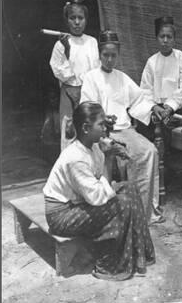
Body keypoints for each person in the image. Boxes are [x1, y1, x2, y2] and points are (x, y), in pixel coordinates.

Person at [44, 101, 155, 280]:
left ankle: (138, 255)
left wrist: (112, 153)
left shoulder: (93, 147)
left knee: (130, 188)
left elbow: (101, 183)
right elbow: (97, 197)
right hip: (61, 215)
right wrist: (109, 158)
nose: (105, 129)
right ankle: (111, 265)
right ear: (87, 128)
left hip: (79, 203)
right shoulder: (75, 158)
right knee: (123, 202)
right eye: (101, 124)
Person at [80, 30, 164, 224]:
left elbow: (139, 99)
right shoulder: (91, 78)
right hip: (101, 132)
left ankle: (144, 211)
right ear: (99, 55)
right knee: (115, 153)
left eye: (113, 55)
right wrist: (101, 119)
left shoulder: (122, 77)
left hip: (124, 130)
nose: (109, 60)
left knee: (149, 151)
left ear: (118, 55)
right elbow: (87, 109)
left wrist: (153, 107)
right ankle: (122, 211)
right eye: (105, 55)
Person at [49, 0, 100, 149]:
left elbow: (96, 69)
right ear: (67, 20)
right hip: (69, 94)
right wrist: (67, 51)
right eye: (73, 18)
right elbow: (61, 73)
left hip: (87, 92)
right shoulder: (60, 44)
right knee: (69, 132)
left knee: (89, 131)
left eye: (80, 18)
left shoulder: (91, 42)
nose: (77, 22)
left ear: (86, 20)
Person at [140, 16, 182, 127]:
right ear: (157, 38)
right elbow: (146, 90)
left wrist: (170, 107)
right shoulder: (151, 62)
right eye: (162, 36)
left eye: (169, 37)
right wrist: (154, 107)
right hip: (157, 109)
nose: (165, 41)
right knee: (144, 125)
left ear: (174, 39)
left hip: (178, 109)